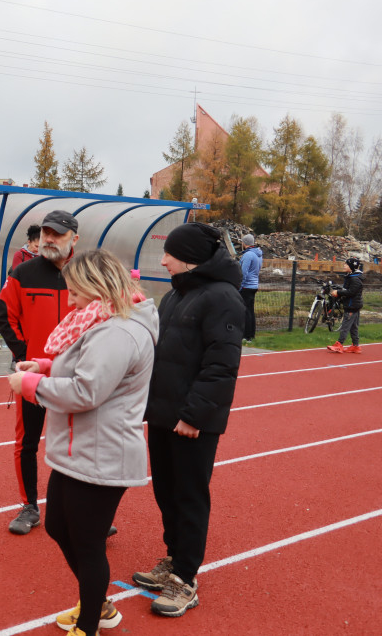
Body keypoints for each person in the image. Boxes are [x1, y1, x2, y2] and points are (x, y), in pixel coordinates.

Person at [8, 249, 157, 636]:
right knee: (58, 526)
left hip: (102, 452)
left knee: (88, 543)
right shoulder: (101, 320)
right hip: (80, 448)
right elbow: (86, 367)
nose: (70, 299)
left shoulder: (119, 330)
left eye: (74, 291)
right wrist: (43, 365)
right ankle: (99, 605)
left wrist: (29, 385)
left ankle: (90, 623)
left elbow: (86, 390)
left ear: (96, 287)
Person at [132, 221, 244, 618]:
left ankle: (185, 579)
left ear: (191, 259)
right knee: (165, 490)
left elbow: (221, 365)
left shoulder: (223, 298)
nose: (162, 261)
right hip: (163, 414)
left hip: (193, 420)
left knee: (190, 496)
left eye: (169, 255)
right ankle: (173, 558)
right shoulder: (176, 296)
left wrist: (194, 414)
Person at [0, 209, 78, 534]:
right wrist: (23, 353)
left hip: (76, 375)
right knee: (27, 441)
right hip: (33, 373)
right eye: (46, 232)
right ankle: (29, 506)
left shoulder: (86, 272)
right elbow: (5, 316)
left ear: (74, 238)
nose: (49, 238)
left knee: (77, 441)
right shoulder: (23, 273)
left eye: (57, 233)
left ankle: (77, 509)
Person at [326, 257, 364, 354]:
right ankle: (355, 346)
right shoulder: (351, 276)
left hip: (352, 305)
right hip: (354, 305)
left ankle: (339, 344)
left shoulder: (355, 279)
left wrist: (338, 292)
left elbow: (351, 292)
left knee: (345, 325)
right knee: (353, 326)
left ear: (352, 266)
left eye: (346, 264)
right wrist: (340, 291)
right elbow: (347, 289)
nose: (344, 266)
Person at [238, 233, 262, 343]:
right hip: (254, 285)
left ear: (245, 243)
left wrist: (240, 286)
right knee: (250, 311)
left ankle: (246, 336)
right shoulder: (258, 255)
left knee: (246, 311)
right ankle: (251, 334)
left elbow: (243, 272)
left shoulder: (248, 255)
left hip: (246, 286)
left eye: (242, 242)